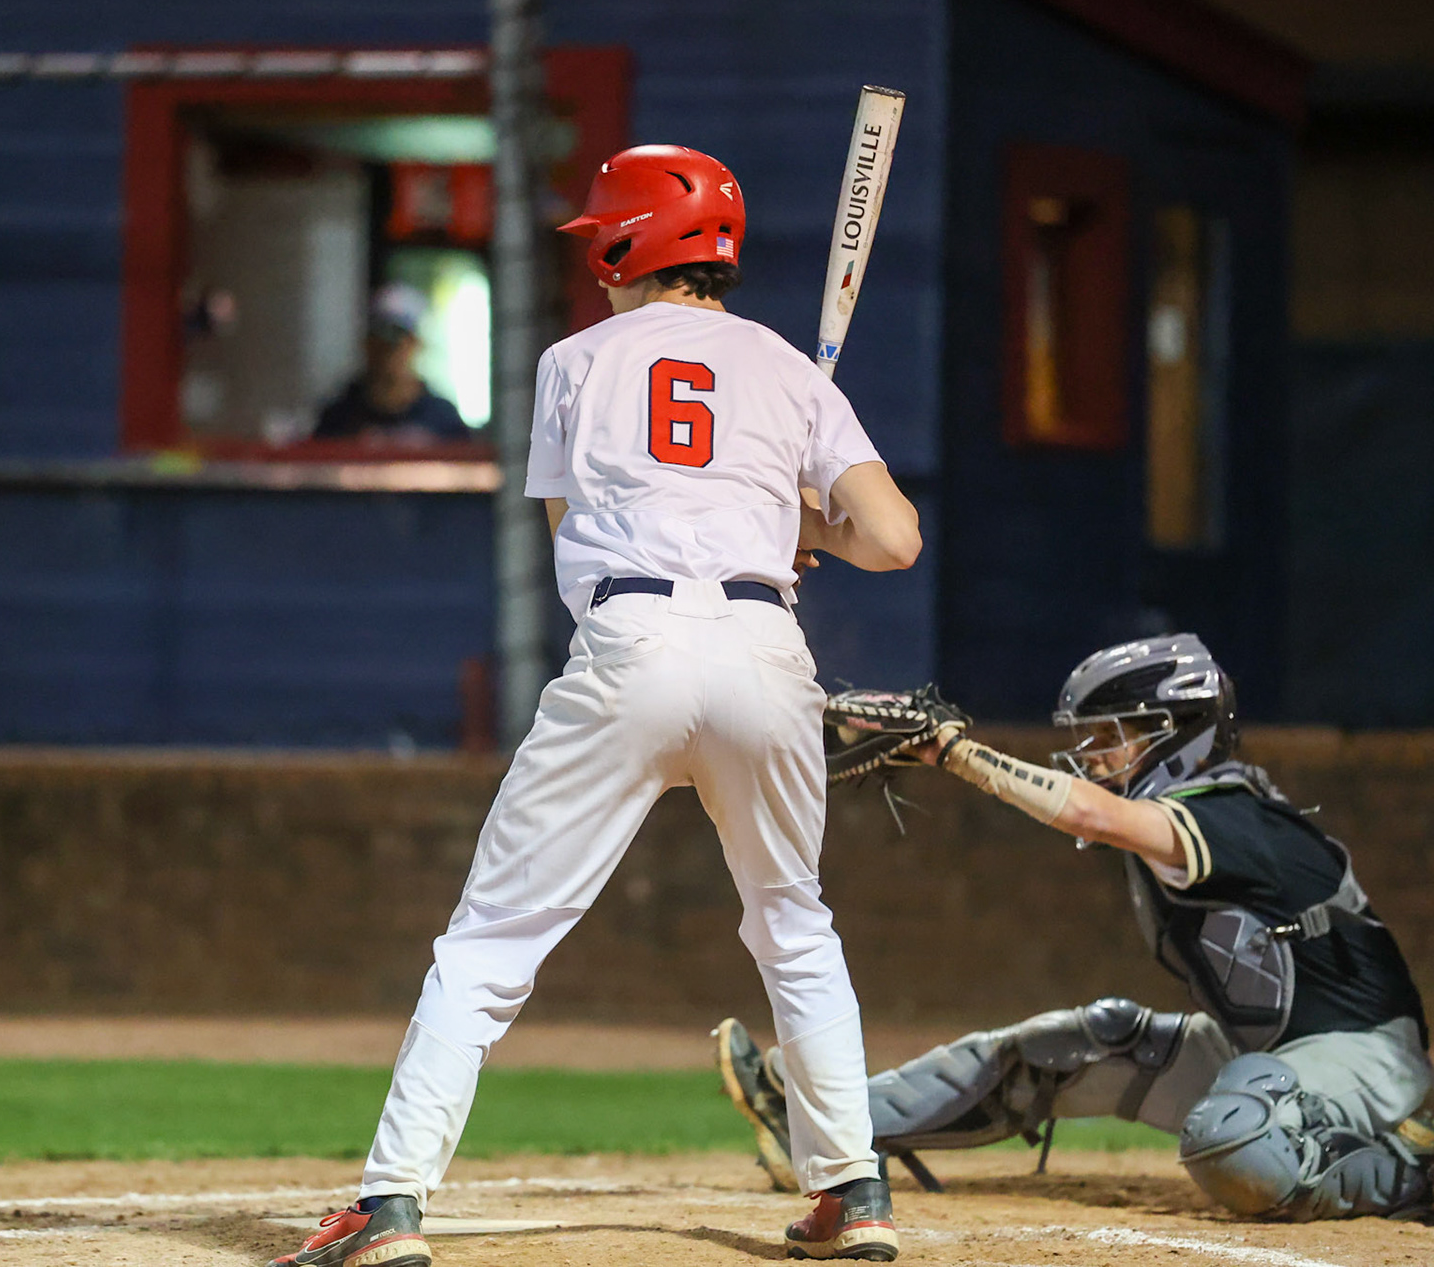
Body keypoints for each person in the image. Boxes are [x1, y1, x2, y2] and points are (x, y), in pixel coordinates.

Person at [265, 144, 923, 1267]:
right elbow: (893, 538)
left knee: (491, 939)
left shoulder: (572, 361)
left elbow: (573, 534)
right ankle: (853, 1191)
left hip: (632, 644)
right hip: (767, 652)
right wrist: (793, 527)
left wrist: (754, 526)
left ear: (629, 244)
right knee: (794, 924)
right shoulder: (789, 369)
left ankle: (391, 1205)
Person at [714, 634, 1432, 1223]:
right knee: (1076, 1042)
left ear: (1179, 735)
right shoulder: (1200, 812)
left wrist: (954, 752)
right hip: (1272, 1052)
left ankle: (1413, 1170)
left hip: (1365, 1056)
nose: (1094, 754)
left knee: (1236, 1139)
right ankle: (818, 1120)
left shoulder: (1231, 812)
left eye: (1115, 736)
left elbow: (1093, 814)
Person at [312, 284, 468, 444]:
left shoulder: (444, 419)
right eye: (379, 337)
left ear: (415, 344)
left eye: (398, 338)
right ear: (366, 344)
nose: (387, 349)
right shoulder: (337, 417)